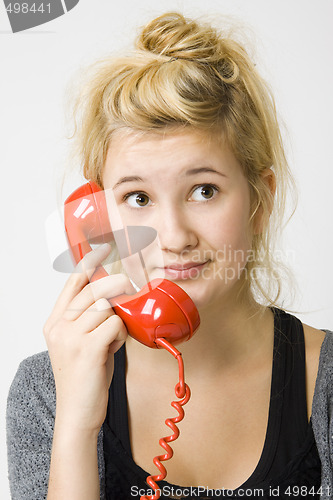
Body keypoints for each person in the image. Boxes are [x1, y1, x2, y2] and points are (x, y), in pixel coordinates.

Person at [6, 11, 333, 500]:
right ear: (97, 219)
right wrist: (75, 425)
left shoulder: (325, 383)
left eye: (204, 190)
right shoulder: (45, 389)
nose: (174, 236)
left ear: (258, 202)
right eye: (138, 198)